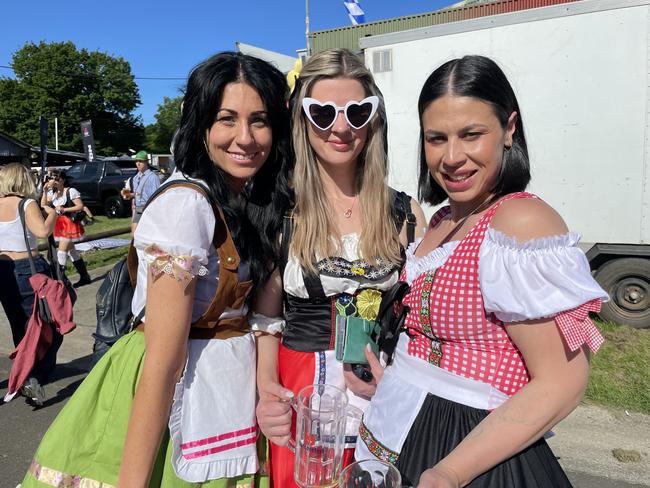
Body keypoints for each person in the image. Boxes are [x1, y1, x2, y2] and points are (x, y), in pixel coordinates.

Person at [21, 51, 292, 487]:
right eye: (227, 119)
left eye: (259, 120)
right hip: (171, 394)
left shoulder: (246, 200)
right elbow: (164, 361)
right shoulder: (187, 205)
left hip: (223, 392)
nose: (245, 137)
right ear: (201, 127)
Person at [353, 55, 609, 487]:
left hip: (467, 455)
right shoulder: (441, 221)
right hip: (402, 430)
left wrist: (451, 472)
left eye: (472, 134)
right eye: (437, 138)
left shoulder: (520, 223)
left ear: (509, 129)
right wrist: (399, 376)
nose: (452, 157)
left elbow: (563, 382)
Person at [255, 48, 427, 488]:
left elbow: (420, 321)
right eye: (323, 112)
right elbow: (267, 317)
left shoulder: (406, 213)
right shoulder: (280, 213)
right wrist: (265, 387)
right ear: (302, 121)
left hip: (380, 389)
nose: (341, 126)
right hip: (301, 393)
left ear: (374, 119)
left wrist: (399, 380)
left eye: (357, 111)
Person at [0, 163, 60, 405]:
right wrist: (52, 210)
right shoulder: (26, 203)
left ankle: (24, 371)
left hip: (3, 268)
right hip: (27, 269)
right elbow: (43, 231)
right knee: (47, 324)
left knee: (19, 325)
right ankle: (33, 376)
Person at [40, 169, 91, 287]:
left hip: (70, 224)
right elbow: (43, 205)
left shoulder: (70, 191)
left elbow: (80, 206)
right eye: (52, 178)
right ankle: (85, 276)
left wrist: (64, 209)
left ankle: (60, 281)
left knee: (61, 252)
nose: (54, 181)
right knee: (72, 251)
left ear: (62, 180)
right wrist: (45, 190)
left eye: (56, 178)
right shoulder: (52, 193)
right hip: (60, 224)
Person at [121, 150, 161, 233]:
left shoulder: (153, 177)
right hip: (138, 210)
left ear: (146, 162)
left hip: (148, 210)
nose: (138, 164)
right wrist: (128, 195)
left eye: (140, 161)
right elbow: (137, 194)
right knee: (134, 234)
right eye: (136, 161)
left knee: (147, 235)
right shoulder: (136, 178)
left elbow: (157, 197)